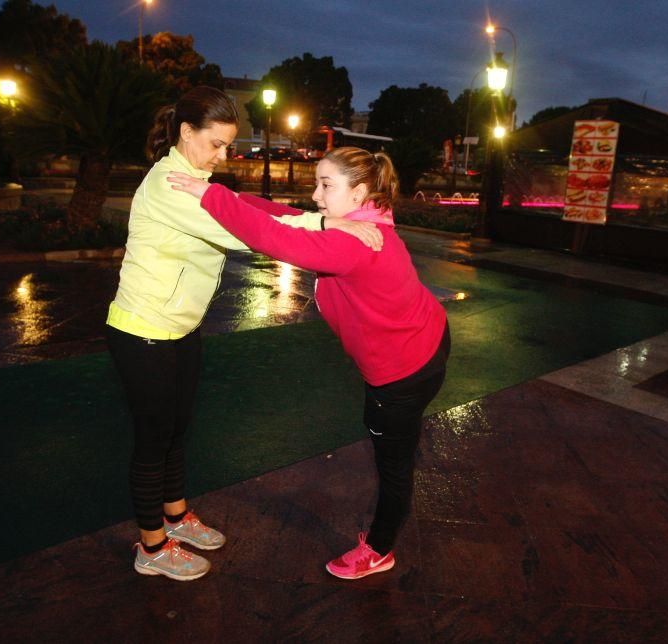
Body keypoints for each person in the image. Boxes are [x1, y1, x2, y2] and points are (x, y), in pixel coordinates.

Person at [106, 88, 383, 582]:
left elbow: (255, 209)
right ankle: (151, 545)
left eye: (228, 145)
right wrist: (330, 233)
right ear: (186, 132)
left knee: (176, 431)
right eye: (215, 144)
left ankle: (175, 517)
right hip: (144, 329)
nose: (222, 155)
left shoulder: (199, 179)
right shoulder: (172, 186)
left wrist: (325, 218)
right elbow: (251, 232)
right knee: (154, 439)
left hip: (179, 328)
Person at [167, 146, 450, 580]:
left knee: (393, 464)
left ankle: (379, 549)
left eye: (325, 185)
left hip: (405, 369)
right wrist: (220, 191)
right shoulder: (363, 222)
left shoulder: (353, 243)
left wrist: (212, 198)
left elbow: (275, 238)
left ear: (358, 193)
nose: (315, 195)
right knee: (392, 443)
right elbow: (281, 214)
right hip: (424, 337)